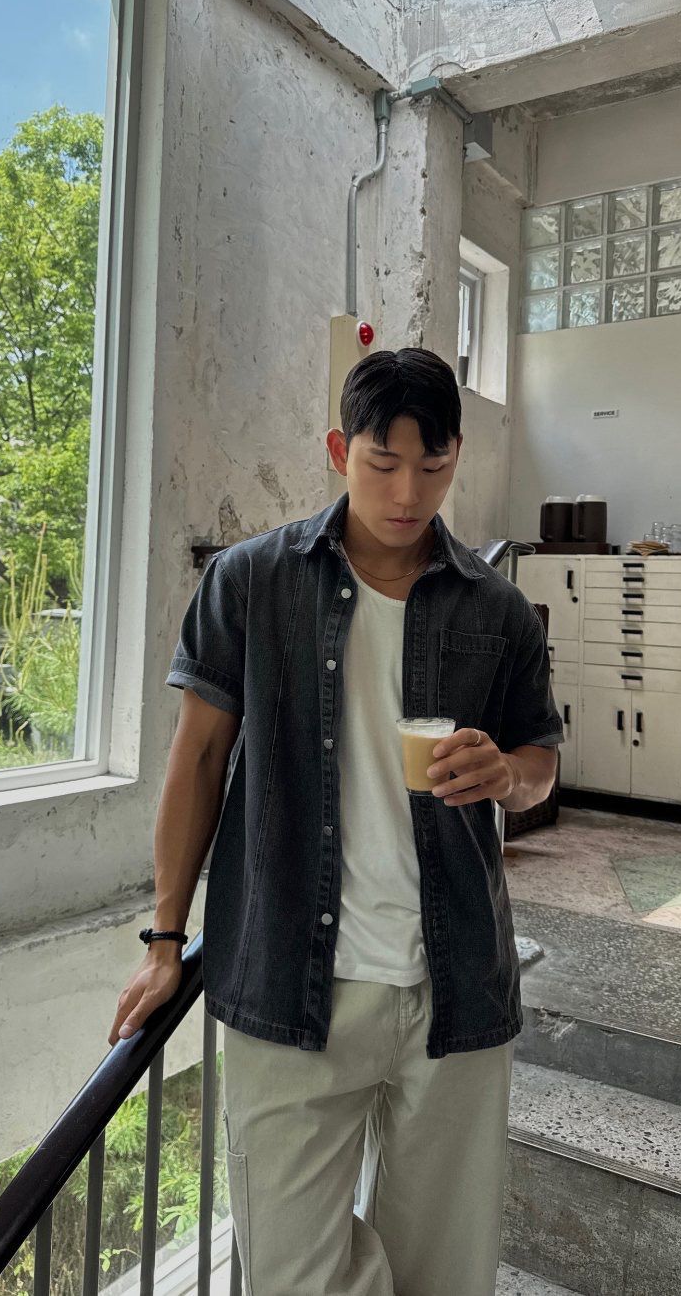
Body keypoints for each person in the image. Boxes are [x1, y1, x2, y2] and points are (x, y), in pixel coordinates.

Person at [108, 347, 563, 1295]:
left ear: (457, 456)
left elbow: (540, 767)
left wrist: (508, 773)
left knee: (445, 1275)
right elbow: (197, 760)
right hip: (289, 982)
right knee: (291, 1274)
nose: (407, 492)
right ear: (336, 451)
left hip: (455, 987)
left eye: (432, 466)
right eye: (381, 462)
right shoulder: (251, 581)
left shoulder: (499, 610)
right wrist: (164, 938)